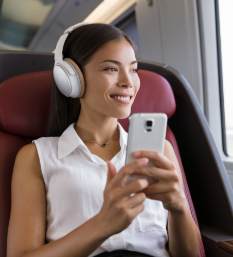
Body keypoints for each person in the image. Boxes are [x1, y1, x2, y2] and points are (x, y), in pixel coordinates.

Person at [7, 23, 201, 257]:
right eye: (111, 68)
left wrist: (179, 207)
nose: (128, 82)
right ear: (71, 79)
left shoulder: (160, 149)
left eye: (133, 69)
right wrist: (102, 226)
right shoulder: (36, 157)